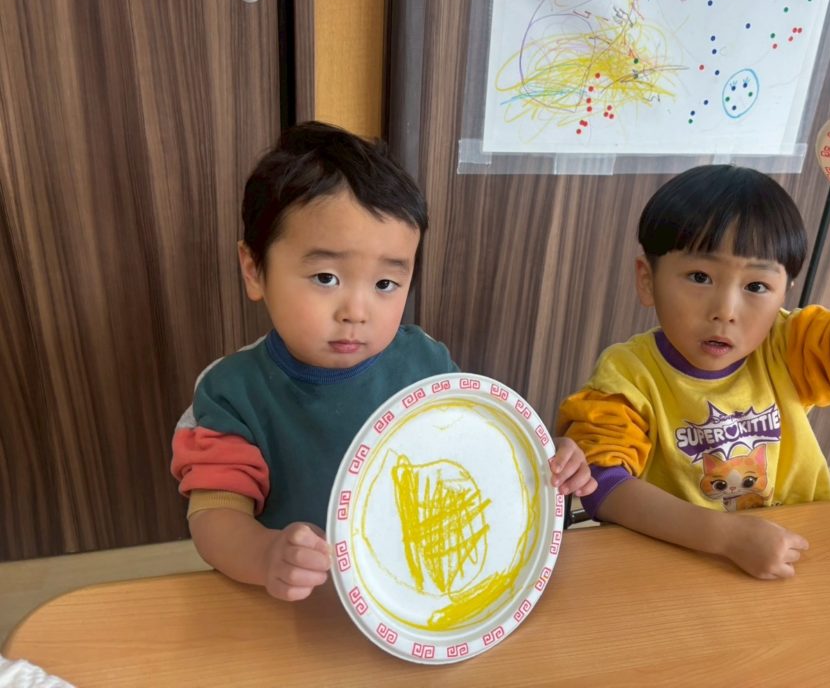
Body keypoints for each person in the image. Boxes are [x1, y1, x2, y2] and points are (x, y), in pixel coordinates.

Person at [171, 121, 596, 601]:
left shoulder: (425, 362)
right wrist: (266, 555)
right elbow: (215, 515)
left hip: (410, 594)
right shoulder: (232, 393)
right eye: (326, 278)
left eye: (385, 285)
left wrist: (547, 460)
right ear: (254, 270)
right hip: (298, 603)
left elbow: (478, 456)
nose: (356, 311)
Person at [556, 165, 830, 580]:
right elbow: (603, 485)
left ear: (783, 294)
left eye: (756, 286)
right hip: (672, 562)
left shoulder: (788, 345)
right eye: (700, 277)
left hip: (788, 548)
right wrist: (726, 537)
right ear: (648, 281)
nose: (725, 311)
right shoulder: (628, 374)